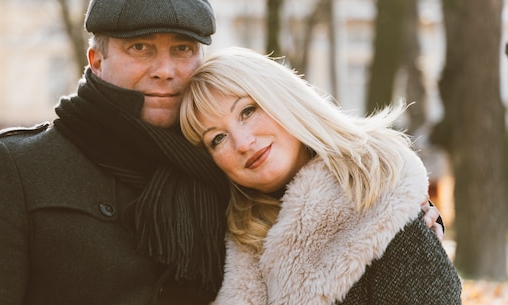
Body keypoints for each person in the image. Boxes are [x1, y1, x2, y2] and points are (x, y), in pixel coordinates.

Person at [0, 0, 443, 305]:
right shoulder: (19, 168)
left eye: (182, 49)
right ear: (97, 60)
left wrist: (398, 208)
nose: (166, 70)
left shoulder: (227, 171)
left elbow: (327, 215)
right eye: (141, 49)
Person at [179, 47, 462, 305]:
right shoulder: (223, 239)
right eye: (217, 139)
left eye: (247, 111)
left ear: (282, 98)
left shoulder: (383, 204)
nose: (242, 143)